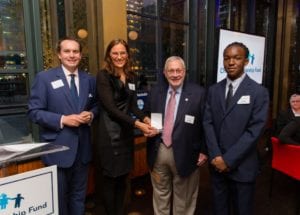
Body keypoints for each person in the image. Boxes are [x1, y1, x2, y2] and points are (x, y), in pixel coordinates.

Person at [28, 37, 98, 215]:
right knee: (59, 200)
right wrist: (62, 119)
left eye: (75, 51)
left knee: (78, 197)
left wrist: (91, 115)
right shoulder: (44, 78)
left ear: (81, 55)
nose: (72, 55)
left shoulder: (89, 79)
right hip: (57, 150)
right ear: (59, 54)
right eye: (67, 51)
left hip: (82, 150)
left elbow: (96, 106)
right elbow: (34, 112)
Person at [203, 42, 269, 215]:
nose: (231, 62)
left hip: (242, 168)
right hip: (217, 167)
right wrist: (216, 156)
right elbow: (207, 123)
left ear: (246, 62)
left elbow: (254, 131)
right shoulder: (213, 90)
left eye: (237, 58)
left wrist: (228, 160)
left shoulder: (258, 92)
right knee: (220, 210)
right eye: (227, 58)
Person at [95, 38, 152, 215]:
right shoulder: (103, 76)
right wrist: (137, 124)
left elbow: (133, 105)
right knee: (110, 181)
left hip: (126, 134)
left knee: (123, 179)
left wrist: (146, 118)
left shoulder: (132, 76)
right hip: (108, 134)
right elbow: (111, 108)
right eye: (115, 53)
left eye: (122, 53)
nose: (119, 56)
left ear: (127, 55)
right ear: (109, 56)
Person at [145, 56, 208, 215]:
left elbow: (206, 124)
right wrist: (153, 127)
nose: (175, 74)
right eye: (171, 71)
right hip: (159, 150)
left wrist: (203, 150)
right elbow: (152, 117)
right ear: (165, 73)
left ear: (185, 72)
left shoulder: (198, 93)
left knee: (184, 197)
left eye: (178, 70)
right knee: (160, 193)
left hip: (188, 153)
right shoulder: (156, 92)